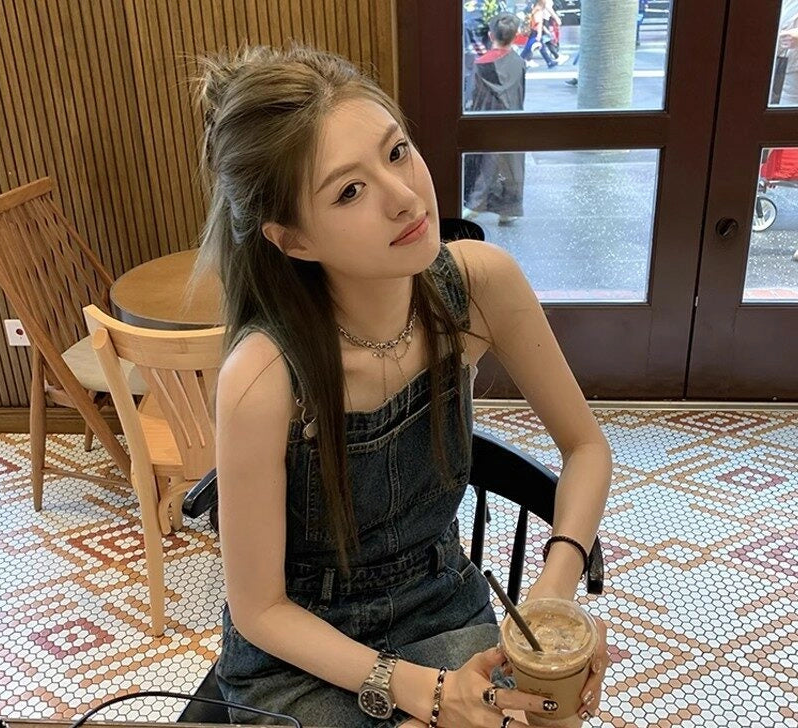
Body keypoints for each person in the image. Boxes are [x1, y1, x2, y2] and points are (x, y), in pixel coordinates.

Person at [198, 42, 612, 728]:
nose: (404, 197)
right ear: (294, 241)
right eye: (349, 191)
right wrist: (424, 691)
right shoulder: (263, 376)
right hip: (299, 649)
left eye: (396, 152)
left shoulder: (479, 286)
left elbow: (587, 448)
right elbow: (260, 609)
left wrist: (550, 606)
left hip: (440, 598)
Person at [463, 13, 527, 226]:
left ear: (491, 35)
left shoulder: (481, 64)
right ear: (515, 36)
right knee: (510, 164)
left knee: (486, 162)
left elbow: (472, 95)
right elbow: (520, 93)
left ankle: (474, 204)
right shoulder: (519, 63)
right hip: (512, 119)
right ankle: (508, 209)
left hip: (487, 118)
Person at [520, 1, 558, 68]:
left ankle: (549, 61)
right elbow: (538, 23)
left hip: (533, 31)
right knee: (528, 48)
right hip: (536, 32)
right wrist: (539, 34)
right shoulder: (538, 11)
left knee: (541, 47)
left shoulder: (534, 10)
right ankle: (518, 61)